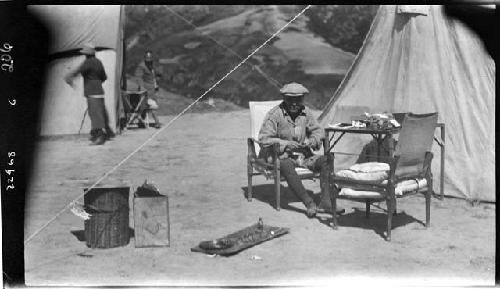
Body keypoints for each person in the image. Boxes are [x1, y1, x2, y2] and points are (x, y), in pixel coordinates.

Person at [258, 82, 344, 218]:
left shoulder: (306, 112)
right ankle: (309, 203)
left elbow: (318, 131)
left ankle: (326, 202)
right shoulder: (275, 114)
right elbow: (264, 139)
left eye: (298, 99)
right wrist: (286, 144)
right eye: (290, 99)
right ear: (284, 98)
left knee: (326, 161)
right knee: (285, 164)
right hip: (280, 155)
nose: (294, 103)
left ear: (302, 98)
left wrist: (311, 141)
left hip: (303, 155)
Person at [64, 43, 111, 145]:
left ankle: (100, 137)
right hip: (99, 91)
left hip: (92, 92)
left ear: (87, 54)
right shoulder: (99, 62)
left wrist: (68, 78)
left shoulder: (88, 63)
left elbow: (77, 71)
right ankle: (95, 134)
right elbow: (104, 77)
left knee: (95, 114)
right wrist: (97, 82)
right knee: (96, 113)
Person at [135, 50, 162, 129]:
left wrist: (158, 75)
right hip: (145, 90)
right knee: (151, 105)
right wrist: (142, 87)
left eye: (150, 59)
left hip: (152, 89)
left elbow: (154, 75)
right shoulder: (141, 66)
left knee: (147, 106)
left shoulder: (152, 65)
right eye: (147, 59)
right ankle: (156, 122)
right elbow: (138, 77)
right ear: (145, 58)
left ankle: (141, 122)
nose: (149, 61)